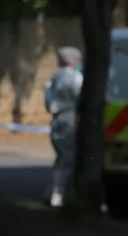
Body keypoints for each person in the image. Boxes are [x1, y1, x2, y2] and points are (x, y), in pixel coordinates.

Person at [44, 46, 84, 208]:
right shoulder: (75, 78)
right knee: (68, 158)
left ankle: (52, 191)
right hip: (70, 117)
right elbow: (81, 97)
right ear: (73, 61)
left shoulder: (52, 79)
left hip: (57, 118)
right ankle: (58, 194)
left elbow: (47, 102)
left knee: (61, 157)